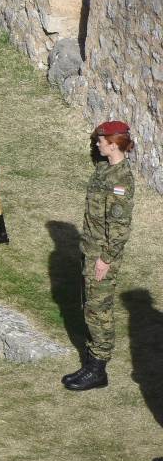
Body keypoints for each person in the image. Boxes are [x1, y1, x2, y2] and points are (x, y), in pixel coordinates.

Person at [64, 119, 136, 391]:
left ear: (113, 144)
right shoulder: (103, 169)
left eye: (101, 140)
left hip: (102, 255)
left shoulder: (121, 181)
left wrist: (105, 259)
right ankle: (90, 362)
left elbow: (119, 229)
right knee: (89, 307)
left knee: (99, 311)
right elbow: (93, 153)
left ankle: (97, 370)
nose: (96, 143)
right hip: (90, 248)